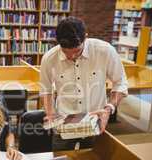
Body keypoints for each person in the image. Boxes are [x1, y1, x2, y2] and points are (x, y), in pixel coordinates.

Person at [40, 16, 128, 150]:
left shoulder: (104, 51)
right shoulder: (49, 58)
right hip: (64, 124)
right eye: (65, 52)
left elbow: (120, 82)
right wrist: (50, 112)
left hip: (95, 121)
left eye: (76, 51)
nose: (71, 57)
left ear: (85, 37)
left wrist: (109, 108)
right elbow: (46, 90)